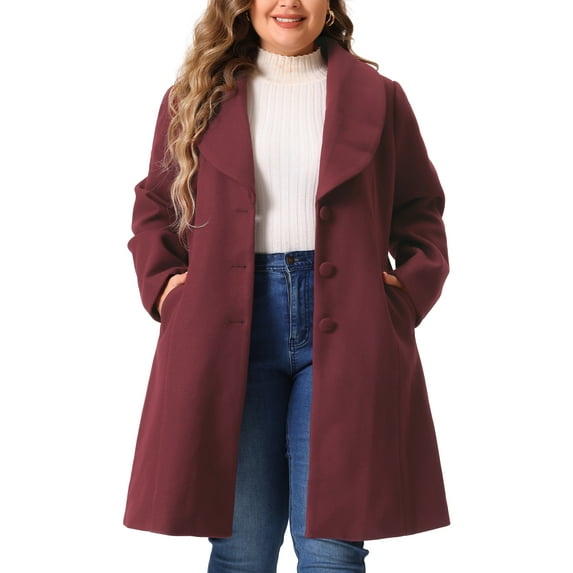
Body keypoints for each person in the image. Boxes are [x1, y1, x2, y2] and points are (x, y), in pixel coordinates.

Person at [124, 0, 450, 571]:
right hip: (226, 324)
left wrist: (405, 292)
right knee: (242, 545)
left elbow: (420, 209)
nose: (289, 3)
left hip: (348, 323)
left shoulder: (381, 98)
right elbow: (155, 205)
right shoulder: (194, 97)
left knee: (333, 544)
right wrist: (167, 286)